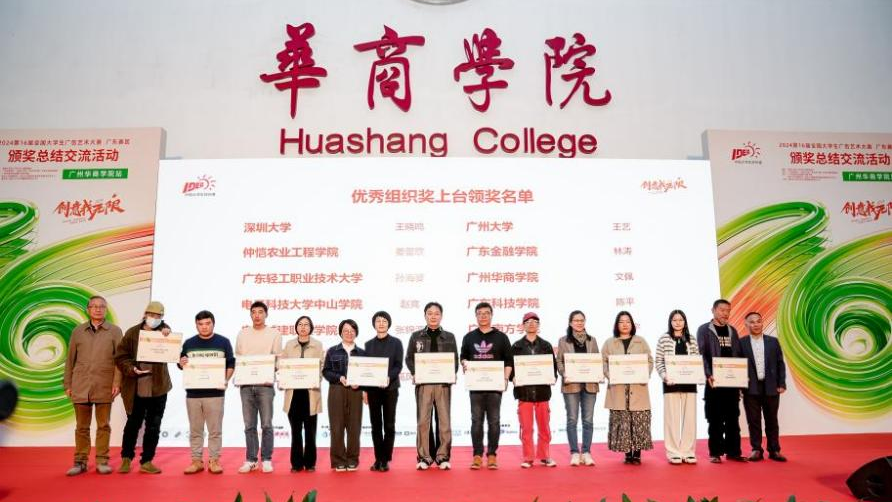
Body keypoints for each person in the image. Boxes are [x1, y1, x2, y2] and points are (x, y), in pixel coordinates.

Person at [63, 295, 123, 476]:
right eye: (94, 306)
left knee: (103, 425)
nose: (98, 309)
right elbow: (70, 359)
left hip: (105, 384)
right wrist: (68, 383)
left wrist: (117, 382)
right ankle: (80, 462)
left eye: (101, 306)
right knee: (81, 427)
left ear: (106, 309)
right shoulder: (78, 331)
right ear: (88, 309)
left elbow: (119, 360)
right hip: (80, 384)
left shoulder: (115, 331)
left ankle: (102, 461)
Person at [114, 301, 173, 474]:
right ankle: (126, 458)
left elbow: (173, 350)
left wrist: (168, 334)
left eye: (158, 316)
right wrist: (131, 369)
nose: (154, 318)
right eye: (151, 315)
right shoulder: (132, 333)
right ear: (145, 314)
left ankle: (147, 461)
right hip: (136, 387)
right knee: (133, 425)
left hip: (158, 388)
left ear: (162, 317)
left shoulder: (165, 333)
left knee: (153, 426)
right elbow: (120, 357)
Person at [178, 310, 235, 474]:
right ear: (196, 325)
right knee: (195, 430)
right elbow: (181, 363)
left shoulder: (223, 342)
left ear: (213, 324)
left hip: (215, 394)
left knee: (215, 431)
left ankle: (214, 460)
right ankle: (196, 461)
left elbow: (231, 363)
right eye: (200, 324)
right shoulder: (189, 343)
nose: (204, 327)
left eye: (207, 323)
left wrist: (225, 380)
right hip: (193, 394)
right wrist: (181, 362)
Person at [405, 301, 459, 470]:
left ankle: (442, 456)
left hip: (443, 384)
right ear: (425, 316)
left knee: (444, 421)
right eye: (430, 313)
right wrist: (415, 372)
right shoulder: (416, 336)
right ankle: (424, 457)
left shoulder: (449, 337)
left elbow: (455, 360)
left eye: (436, 313)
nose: (433, 316)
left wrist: (451, 373)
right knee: (423, 421)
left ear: (441, 316)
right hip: (424, 384)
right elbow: (409, 358)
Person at [460, 302, 512, 470]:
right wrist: (465, 363)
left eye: (486, 313)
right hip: (476, 386)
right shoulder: (469, 337)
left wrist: (505, 379)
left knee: (494, 421)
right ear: (476, 316)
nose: (483, 316)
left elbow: (508, 360)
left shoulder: (501, 337)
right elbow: (463, 357)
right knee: (476, 421)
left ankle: (492, 455)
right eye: (480, 313)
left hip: (495, 386)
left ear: (491, 315)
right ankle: (477, 455)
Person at [696, 299, 747, 463]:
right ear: (713, 310)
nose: (725, 313)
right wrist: (708, 374)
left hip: (731, 382)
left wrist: (741, 377)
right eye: (722, 310)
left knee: (733, 418)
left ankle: (734, 452)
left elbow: (738, 355)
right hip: (714, 381)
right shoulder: (704, 330)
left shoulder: (733, 330)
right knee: (715, 418)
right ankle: (715, 453)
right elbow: (701, 354)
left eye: (728, 310)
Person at [235, 301, 283, 474]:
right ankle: (251, 460)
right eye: (253, 312)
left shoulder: (274, 334)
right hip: (246, 385)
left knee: (266, 424)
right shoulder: (242, 334)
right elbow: (238, 358)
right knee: (249, 425)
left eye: (260, 312)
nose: (257, 315)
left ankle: (267, 459)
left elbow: (278, 359)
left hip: (265, 385)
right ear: (250, 314)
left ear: (266, 314)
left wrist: (268, 371)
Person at [602, 311, 653, 465]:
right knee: (623, 421)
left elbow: (649, 361)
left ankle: (636, 454)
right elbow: (603, 362)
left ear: (632, 324)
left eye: (628, 322)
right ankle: (627, 453)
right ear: (617, 325)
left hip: (637, 387)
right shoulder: (609, 343)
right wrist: (610, 375)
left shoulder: (640, 341)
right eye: (621, 322)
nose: (625, 324)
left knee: (638, 421)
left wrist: (644, 374)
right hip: (618, 389)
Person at [511, 312, 558, 469]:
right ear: (523, 325)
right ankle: (528, 457)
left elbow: (553, 368)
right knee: (526, 428)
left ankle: (545, 456)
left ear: (539, 325)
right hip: (524, 393)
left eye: (535, 321)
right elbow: (511, 368)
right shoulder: (516, 346)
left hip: (542, 393)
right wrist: (513, 378)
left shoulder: (546, 346)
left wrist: (552, 377)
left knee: (544, 426)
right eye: (528, 321)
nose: (531, 324)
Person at [740, 312, 787, 462]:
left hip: (771, 386)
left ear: (762, 323)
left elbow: (780, 363)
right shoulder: (741, 343)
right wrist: (739, 385)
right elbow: (737, 365)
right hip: (750, 387)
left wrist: (781, 383)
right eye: (752, 322)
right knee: (753, 420)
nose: (756, 324)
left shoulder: (773, 342)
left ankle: (774, 450)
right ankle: (756, 449)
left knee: (772, 420)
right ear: (746, 325)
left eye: (758, 321)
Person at [654, 309, 700, 464]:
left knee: (690, 418)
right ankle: (673, 452)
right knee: (672, 419)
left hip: (690, 383)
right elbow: (659, 361)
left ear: (685, 322)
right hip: (670, 383)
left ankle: (688, 451)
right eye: (675, 320)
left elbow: (696, 360)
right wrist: (664, 376)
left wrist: (698, 376)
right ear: (670, 322)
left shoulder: (691, 339)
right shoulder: (664, 339)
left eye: (680, 320)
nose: (678, 323)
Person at [556, 310, 599, 467]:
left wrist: (598, 373)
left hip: (589, 385)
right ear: (570, 323)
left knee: (588, 420)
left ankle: (586, 452)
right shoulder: (563, 341)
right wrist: (564, 373)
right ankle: (574, 452)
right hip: (571, 385)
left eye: (582, 320)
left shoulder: (592, 340)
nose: (579, 323)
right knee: (572, 420)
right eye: (576, 320)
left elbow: (597, 360)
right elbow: (559, 361)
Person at [363, 311, 404, 472]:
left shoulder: (396, 343)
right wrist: (365, 391)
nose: (381, 323)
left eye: (384, 321)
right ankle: (378, 458)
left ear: (389, 324)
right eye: (378, 321)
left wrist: (388, 377)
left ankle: (385, 459)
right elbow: (366, 369)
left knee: (389, 424)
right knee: (375, 425)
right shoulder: (368, 345)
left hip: (390, 388)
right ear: (374, 324)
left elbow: (398, 365)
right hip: (373, 390)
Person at [282, 315, 323, 472]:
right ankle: (296, 464)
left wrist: (315, 378)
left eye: (306, 324)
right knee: (296, 431)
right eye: (300, 324)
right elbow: (283, 366)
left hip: (310, 394)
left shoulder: (317, 345)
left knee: (310, 432)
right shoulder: (289, 345)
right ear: (296, 327)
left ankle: (310, 463)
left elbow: (321, 367)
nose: (303, 327)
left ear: (311, 327)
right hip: (293, 395)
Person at [323, 319, 365, 472]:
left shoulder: (362, 353)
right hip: (337, 390)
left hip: (356, 391)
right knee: (336, 426)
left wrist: (361, 385)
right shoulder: (332, 351)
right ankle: (338, 460)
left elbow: (367, 374)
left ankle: (352, 459)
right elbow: (326, 371)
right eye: (346, 330)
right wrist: (339, 377)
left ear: (356, 333)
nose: (349, 333)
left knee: (354, 426)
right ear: (340, 332)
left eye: (352, 330)